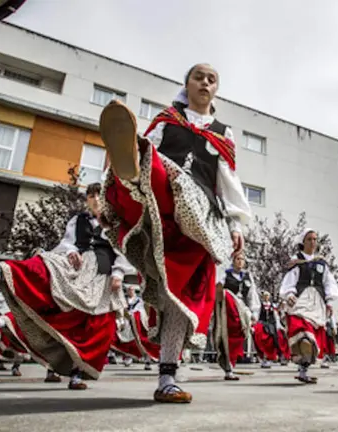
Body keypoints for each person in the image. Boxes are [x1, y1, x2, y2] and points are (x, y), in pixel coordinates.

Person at [98, 63, 251, 403]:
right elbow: (153, 151)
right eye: (199, 77)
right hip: (165, 206)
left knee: (179, 301)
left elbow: (228, 182)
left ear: (216, 90)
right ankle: (127, 166)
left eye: (212, 79)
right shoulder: (167, 120)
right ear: (187, 84)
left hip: (201, 217)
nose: (205, 82)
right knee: (153, 163)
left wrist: (236, 224)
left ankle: (168, 377)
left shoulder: (224, 133)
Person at [0, 183, 136, 390]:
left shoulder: (116, 221)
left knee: (92, 324)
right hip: (77, 265)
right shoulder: (78, 220)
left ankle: (77, 373)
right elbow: (68, 242)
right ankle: (2, 271)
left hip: (101, 273)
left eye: (98, 195)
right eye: (90, 196)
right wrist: (71, 251)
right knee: (46, 261)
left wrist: (119, 272)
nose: (94, 199)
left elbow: (123, 247)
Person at [279, 229, 338, 384]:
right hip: (301, 300)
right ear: (303, 242)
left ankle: (303, 368)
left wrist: (329, 301)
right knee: (302, 329)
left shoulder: (321, 263)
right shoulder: (297, 261)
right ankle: (301, 359)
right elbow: (289, 281)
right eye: (309, 239)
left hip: (317, 302)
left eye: (315, 239)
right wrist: (290, 294)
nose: (313, 242)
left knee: (313, 336)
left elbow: (328, 283)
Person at [213, 254, 260, 380]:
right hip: (228, 311)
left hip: (242, 310)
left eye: (242, 259)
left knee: (239, 336)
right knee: (227, 337)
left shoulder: (247, 276)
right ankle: (229, 367)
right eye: (237, 259)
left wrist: (254, 313)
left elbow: (252, 296)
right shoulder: (225, 275)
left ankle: (231, 363)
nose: (240, 262)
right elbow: (218, 290)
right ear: (233, 261)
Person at [111, 284, 160, 370]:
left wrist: (136, 316)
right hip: (127, 323)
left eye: (131, 289)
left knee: (142, 340)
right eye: (128, 290)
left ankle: (148, 359)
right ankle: (128, 357)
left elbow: (144, 311)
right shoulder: (124, 301)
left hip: (138, 322)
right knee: (126, 341)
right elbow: (121, 311)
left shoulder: (140, 301)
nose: (130, 291)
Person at [253, 291, 286, 368]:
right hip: (263, 323)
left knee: (274, 338)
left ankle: (279, 355)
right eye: (265, 296)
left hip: (271, 324)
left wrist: (279, 325)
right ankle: (263, 357)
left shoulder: (272, 306)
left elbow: (276, 316)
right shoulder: (260, 306)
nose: (266, 297)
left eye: (267, 296)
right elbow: (257, 314)